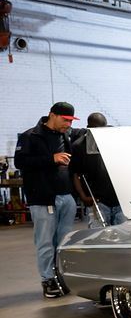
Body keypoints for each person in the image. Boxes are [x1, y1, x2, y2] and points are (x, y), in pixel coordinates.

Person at [14, 102, 80, 298]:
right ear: (52, 115)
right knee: (45, 242)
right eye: (65, 120)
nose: (68, 124)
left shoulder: (65, 135)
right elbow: (20, 162)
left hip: (66, 197)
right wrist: (51, 158)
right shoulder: (30, 136)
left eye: (71, 121)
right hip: (43, 198)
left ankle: (61, 276)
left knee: (63, 242)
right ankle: (48, 280)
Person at [71, 113, 124, 228]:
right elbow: (76, 174)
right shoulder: (80, 146)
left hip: (119, 199)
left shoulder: (115, 141)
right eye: (97, 129)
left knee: (123, 233)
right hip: (97, 200)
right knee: (98, 233)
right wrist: (83, 196)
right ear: (89, 128)